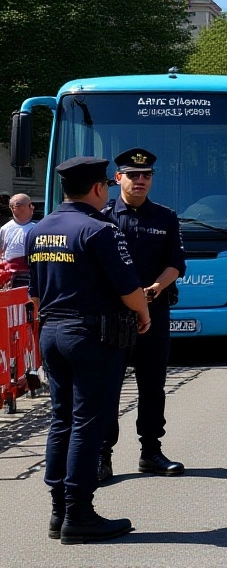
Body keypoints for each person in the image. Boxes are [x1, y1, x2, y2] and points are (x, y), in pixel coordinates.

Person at [27, 157, 151, 543]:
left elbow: (33, 292)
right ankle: (80, 513)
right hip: (93, 335)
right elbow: (129, 288)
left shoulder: (40, 229)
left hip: (53, 332)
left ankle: (59, 511)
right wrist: (144, 313)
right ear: (98, 188)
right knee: (87, 422)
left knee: (61, 420)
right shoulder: (101, 229)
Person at [99, 148, 186, 486]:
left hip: (155, 311)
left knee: (153, 387)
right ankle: (102, 456)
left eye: (146, 175)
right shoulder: (103, 217)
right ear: (117, 178)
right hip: (113, 316)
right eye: (133, 175)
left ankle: (151, 452)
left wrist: (155, 288)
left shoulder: (165, 217)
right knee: (109, 388)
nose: (140, 180)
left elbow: (177, 262)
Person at [1, 193, 38, 287]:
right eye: (30, 205)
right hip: (10, 281)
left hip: (32, 279)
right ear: (15, 208)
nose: (33, 207)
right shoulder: (4, 229)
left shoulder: (38, 229)